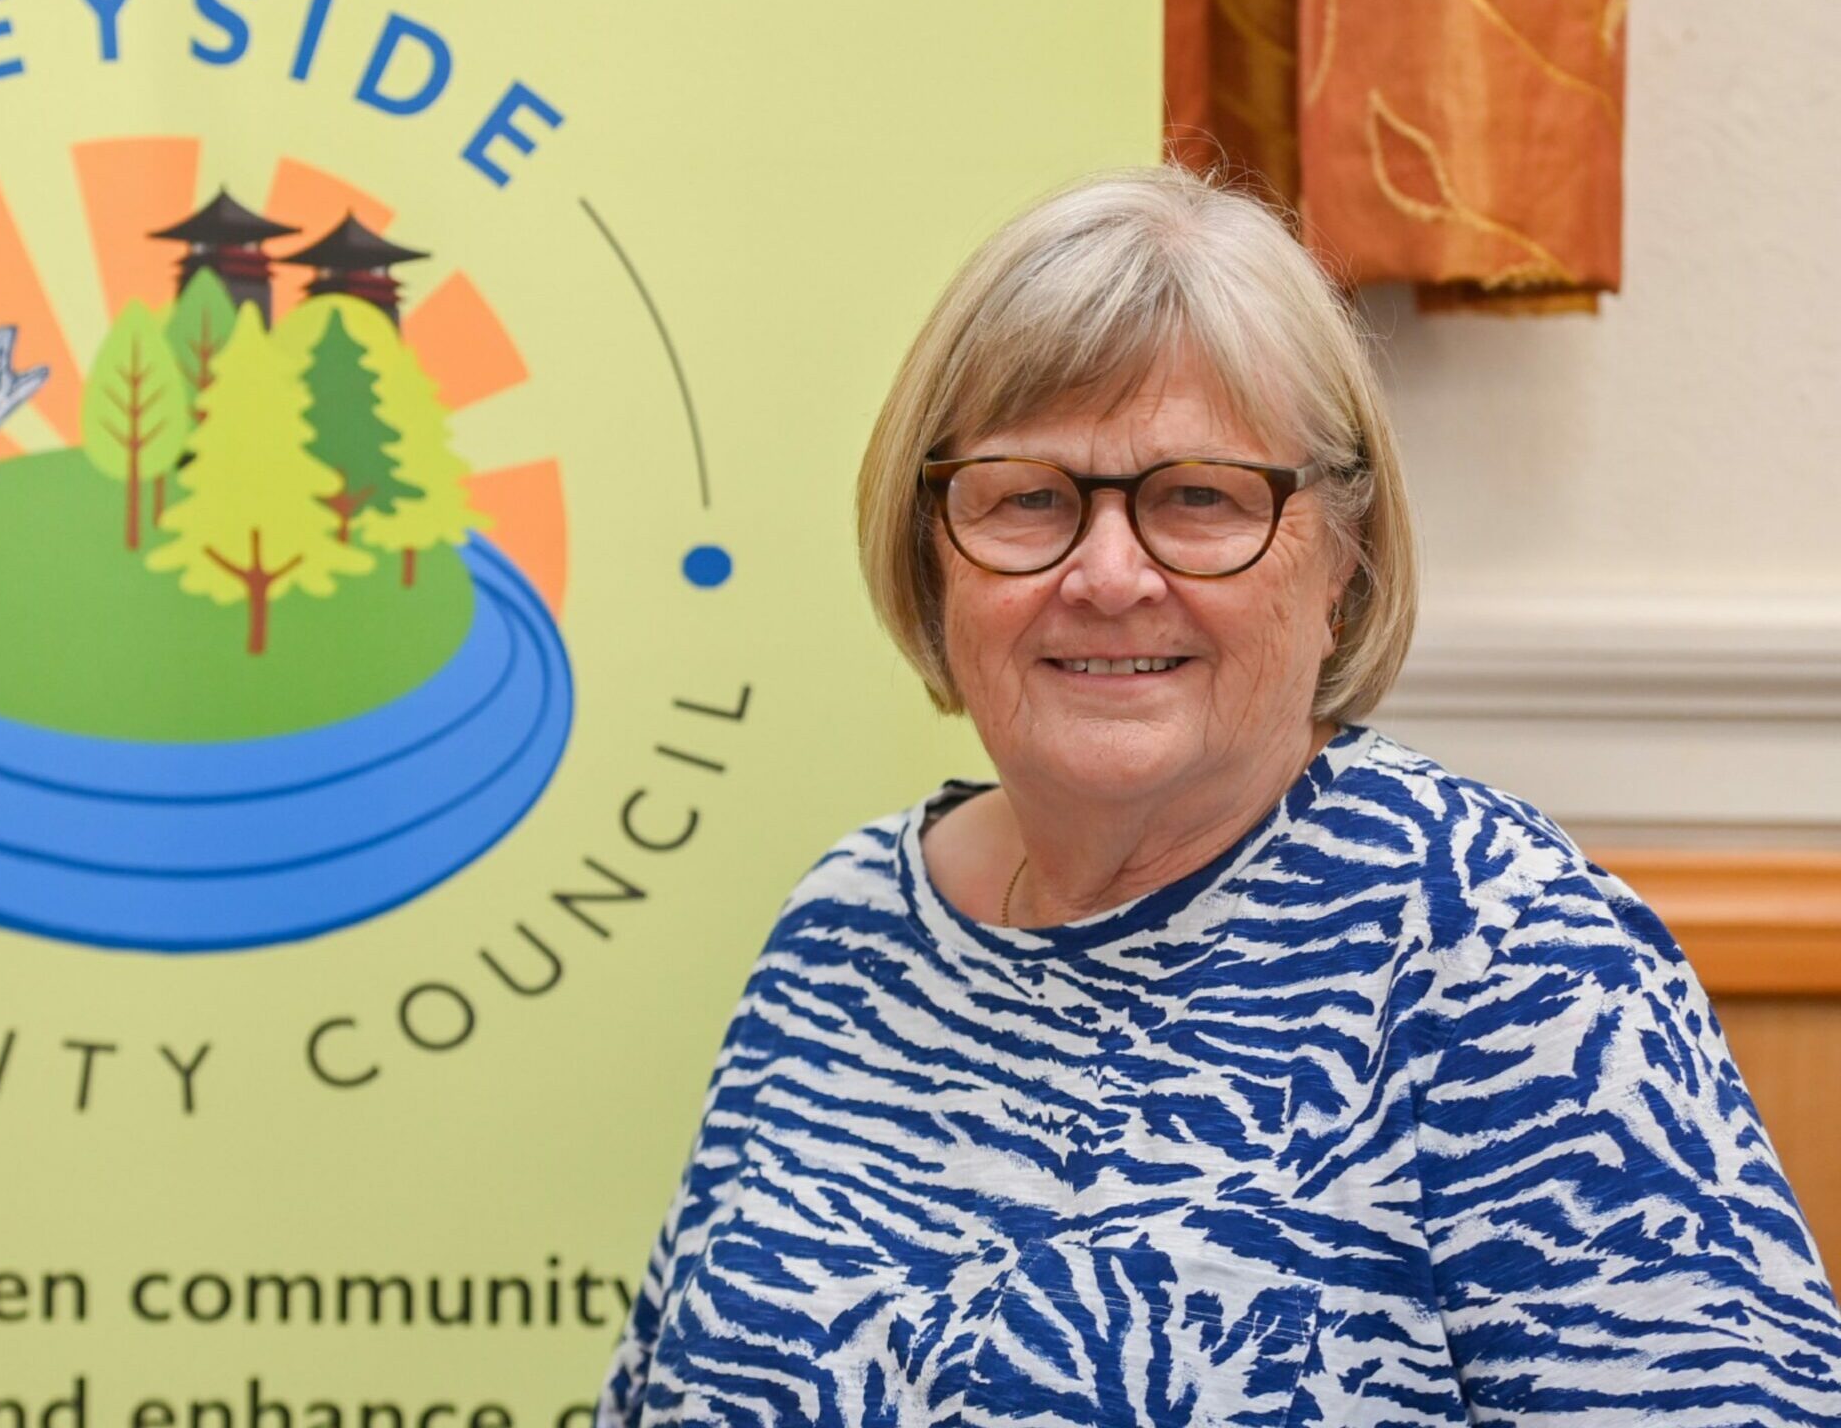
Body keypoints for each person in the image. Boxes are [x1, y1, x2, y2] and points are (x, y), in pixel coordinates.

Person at [595, 166, 1841, 1425]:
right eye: (1030, 499)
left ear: (1340, 562)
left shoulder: (1508, 957)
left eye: (1199, 499)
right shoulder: (843, 925)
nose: (1109, 574)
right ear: (932, 551)